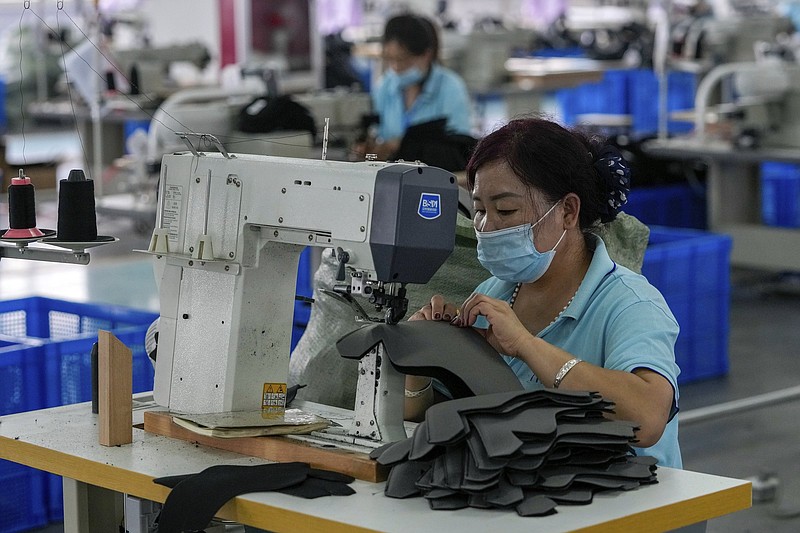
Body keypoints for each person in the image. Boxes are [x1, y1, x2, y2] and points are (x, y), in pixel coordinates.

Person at [406, 116, 682, 469]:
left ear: (567, 211)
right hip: (538, 487)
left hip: (634, 501)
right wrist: (423, 358)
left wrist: (526, 345)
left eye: (505, 210)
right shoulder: (495, 293)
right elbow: (429, 419)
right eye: (479, 210)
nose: (486, 227)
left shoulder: (629, 303)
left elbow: (647, 418)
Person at [353, 13, 473, 162]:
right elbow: (377, 133)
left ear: (426, 55)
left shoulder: (451, 88)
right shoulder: (385, 86)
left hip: (435, 175)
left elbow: (460, 147)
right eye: (390, 59)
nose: (396, 67)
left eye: (403, 60)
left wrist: (401, 146)